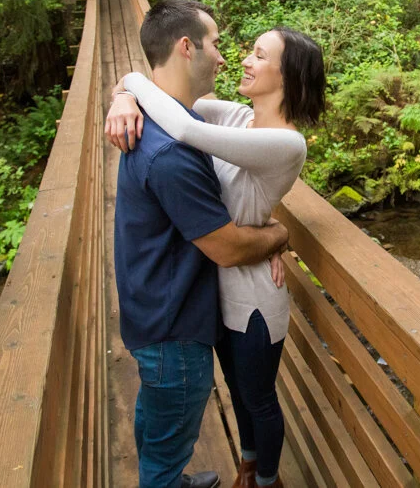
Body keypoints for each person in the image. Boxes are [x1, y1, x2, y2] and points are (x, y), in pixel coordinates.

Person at [106, 25, 327, 488]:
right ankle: (247, 464)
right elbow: (162, 91)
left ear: (287, 75)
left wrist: (130, 76)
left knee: (258, 398)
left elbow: (183, 126)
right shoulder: (236, 118)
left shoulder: (288, 143)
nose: (244, 60)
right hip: (215, 284)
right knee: (239, 395)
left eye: (259, 55)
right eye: (247, 51)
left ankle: (266, 480)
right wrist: (123, 96)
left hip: (253, 298)